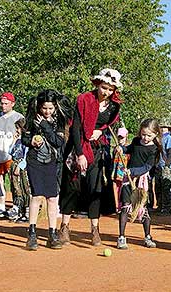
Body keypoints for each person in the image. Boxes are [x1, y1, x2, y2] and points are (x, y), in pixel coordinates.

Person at [58, 68, 122, 246]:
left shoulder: (114, 106)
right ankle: (64, 226)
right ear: (97, 84)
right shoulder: (84, 99)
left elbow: (108, 126)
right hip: (77, 148)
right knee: (73, 187)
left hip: (97, 150)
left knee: (96, 189)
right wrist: (79, 154)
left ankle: (95, 229)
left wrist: (98, 131)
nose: (106, 92)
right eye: (104, 88)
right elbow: (76, 127)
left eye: (110, 89)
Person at [22, 90, 72, 250]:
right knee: (36, 196)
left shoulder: (58, 121)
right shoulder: (31, 118)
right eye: (44, 108)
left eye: (50, 108)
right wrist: (31, 142)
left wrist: (44, 125)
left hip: (52, 162)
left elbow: (57, 142)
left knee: (52, 198)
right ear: (39, 106)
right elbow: (24, 138)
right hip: (34, 161)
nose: (47, 111)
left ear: (55, 107)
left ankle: (52, 234)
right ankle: (32, 234)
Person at [116, 119, 161, 249]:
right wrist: (122, 149)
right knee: (125, 206)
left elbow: (147, 167)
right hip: (128, 180)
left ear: (155, 134)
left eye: (149, 135)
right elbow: (129, 149)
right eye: (143, 134)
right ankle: (121, 237)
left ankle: (147, 236)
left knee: (143, 209)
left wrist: (133, 171)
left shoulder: (154, 149)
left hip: (141, 182)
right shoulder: (136, 141)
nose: (145, 138)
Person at [0, 92, 24, 219]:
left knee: (14, 181)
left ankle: (16, 206)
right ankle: (1, 204)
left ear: (12, 104)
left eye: (6, 103)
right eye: (2, 103)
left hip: (12, 155)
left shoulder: (18, 117)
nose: (3, 106)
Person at [7, 119, 30, 223]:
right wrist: (13, 140)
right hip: (14, 162)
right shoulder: (18, 140)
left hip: (22, 166)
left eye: (18, 128)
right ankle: (19, 210)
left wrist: (19, 167)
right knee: (15, 188)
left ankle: (27, 212)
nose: (16, 130)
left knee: (24, 188)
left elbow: (26, 156)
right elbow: (10, 151)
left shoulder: (26, 141)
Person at [155, 122, 171, 216]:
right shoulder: (158, 138)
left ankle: (167, 208)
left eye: (165, 127)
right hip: (158, 166)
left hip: (165, 167)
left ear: (168, 129)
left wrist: (167, 164)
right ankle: (160, 206)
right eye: (161, 127)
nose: (163, 129)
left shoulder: (169, 138)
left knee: (167, 187)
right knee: (158, 188)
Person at [111, 127, 129, 212]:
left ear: (126, 137)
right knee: (116, 188)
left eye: (122, 137)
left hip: (124, 172)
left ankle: (125, 206)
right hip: (116, 172)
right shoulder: (116, 148)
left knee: (124, 188)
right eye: (119, 137)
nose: (120, 139)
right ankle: (117, 207)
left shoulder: (128, 147)